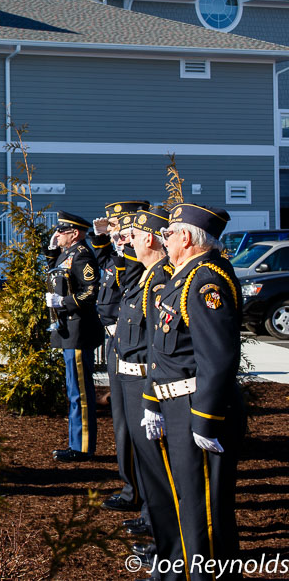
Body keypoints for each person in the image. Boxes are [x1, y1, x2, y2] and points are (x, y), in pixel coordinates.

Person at [142, 203, 245, 581]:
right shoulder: (182, 277)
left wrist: (205, 419)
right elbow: (166, 349)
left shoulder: (205, 281)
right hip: (177, 403)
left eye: (168, 233)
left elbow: (217, 358)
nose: (164, 240)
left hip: (196, 406)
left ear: (185, 236)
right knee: (189, 506)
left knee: (205, 513)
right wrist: (154, 400)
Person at [113, 209, 180, 575]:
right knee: (149, 469)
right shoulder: (146, 277)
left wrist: (153, 396)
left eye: (134, 237)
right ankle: (160, 536)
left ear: (150, 239)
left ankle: (168, 546)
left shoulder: (159, 280)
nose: (129, 243)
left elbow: (157, 346)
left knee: (160, 471)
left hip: (146, 383)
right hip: (131, 380)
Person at [92, 200, 150, 512]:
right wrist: (104, 238)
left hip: (134, 346)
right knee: (123, 424)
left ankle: (138, 493)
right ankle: (132, 488)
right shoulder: (122, 257)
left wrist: (120, 241)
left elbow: (125, 275)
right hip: (119, 341)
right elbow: (108, 263)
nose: (118, 235)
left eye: (121, 228)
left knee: (134, 427)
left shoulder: (142, 262)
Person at [44, 211, 101, 462]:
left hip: (79, 330)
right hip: (69, 330)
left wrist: (64, 302)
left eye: (61, 231)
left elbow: (91, 292)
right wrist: (51, 249)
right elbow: (54, 272)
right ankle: (75, 442)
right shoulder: (68, 254)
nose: (57, 235)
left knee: (80, 392)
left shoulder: (82, 255)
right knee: (73, 390)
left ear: (74, 233)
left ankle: (83, 446)